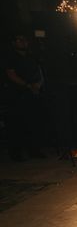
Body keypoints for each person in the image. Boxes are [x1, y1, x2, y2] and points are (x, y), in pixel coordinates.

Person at [3, 33, 45, 161]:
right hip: (17, 94)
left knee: (33, 122)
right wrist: (27, 85)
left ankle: (34, 150)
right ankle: (16, 153)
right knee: (17, 124)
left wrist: (38, 84)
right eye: (19, 40)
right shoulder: (10, 57)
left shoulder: (31, 57)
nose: (23, 42)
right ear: (13, 42)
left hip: (32, 92)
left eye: (24, 40)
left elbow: (39, 71)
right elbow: (11, 74)